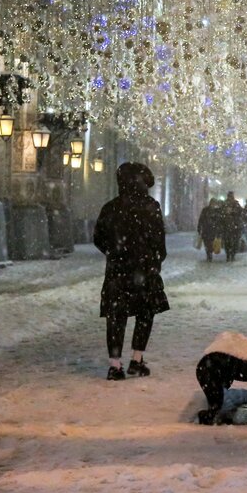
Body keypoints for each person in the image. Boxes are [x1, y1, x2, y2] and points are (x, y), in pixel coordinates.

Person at [93, 163, 169, 381]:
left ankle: (115, 365)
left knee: (116, 316)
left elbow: (98, 238)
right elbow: (159, 240)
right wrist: (154, 258)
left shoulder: (111, 207)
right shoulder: (150, 207)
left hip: (118, 272)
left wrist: (115, 253)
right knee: (145, 314)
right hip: (145, 270)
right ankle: (137, 360)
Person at [221, 191, 244, 262]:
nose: (230, 198)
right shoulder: (224, 204)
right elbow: (220, 214)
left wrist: (233, 212)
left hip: (235, 227)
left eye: (231, 196)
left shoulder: (236, 204)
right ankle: (228, 255)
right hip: (227, 227)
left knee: (235, 242)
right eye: (229, 196)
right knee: (227, 242)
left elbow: (241, 212)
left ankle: (232, 255)